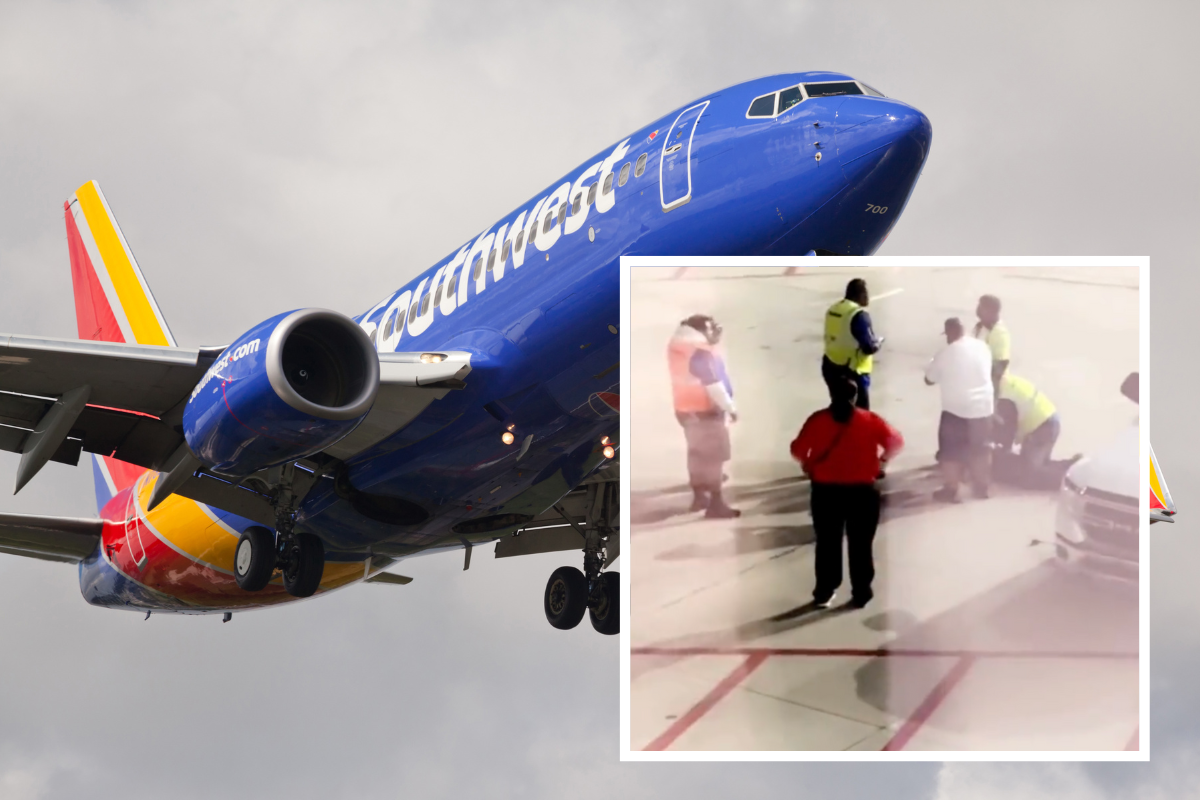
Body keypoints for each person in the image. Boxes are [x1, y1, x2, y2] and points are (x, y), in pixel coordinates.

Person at [790, 376, 904, 610]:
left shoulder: (818, 419)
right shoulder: (870, 420)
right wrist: (882, 461)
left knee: (827, 543)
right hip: (863, 492)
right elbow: (896, 442)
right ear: (855, 396)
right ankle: (861, 592)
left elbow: (798, 449)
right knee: (861, 544)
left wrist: (807, 464)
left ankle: (825, 591)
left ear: (831, 394)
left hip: (826, 493)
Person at [668, 314, 740, 518]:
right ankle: (716, 504)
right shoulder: (701, 352)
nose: (714, 332)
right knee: (713, 458)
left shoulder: (678, 345)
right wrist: (730, 407)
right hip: (705, 411)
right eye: (710, 329)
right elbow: (713, 385)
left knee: (697, 454)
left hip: (684, 408)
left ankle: (699, 497)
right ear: (700, 331)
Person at [925, 317, 994, 502]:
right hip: (983, 408)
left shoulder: (946, 353)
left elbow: (929, 379)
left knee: (950, 453)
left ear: (950, 332)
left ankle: (951, 489)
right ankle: (982, 487)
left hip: (956, 411)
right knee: (981, 449)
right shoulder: (982, 347)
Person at [991, 373, 1081, 490]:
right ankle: (1072, 466)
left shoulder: (1003, 397)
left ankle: (1071, 482)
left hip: (1042, 428)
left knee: (1031, 476)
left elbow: (1008, 434)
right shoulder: (1005, 381)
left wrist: (999, 449)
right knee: (1039, 465)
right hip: (1048, 421)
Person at [822, 278, 884, 410]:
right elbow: (868, 347)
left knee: (840, 411)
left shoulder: (834, 309)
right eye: (866, 294)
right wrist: (878, 343)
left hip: (831, 367)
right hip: (853, 372)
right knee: (860, 417)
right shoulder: (858, 315)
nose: (868, 298)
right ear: (860, 295)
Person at [973, 294, 1011, 393]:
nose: (978, 310)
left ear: (991, 311)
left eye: (982, 307)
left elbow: (1000, 366)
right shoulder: (981, 327)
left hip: (992, 387)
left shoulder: (999, 333)